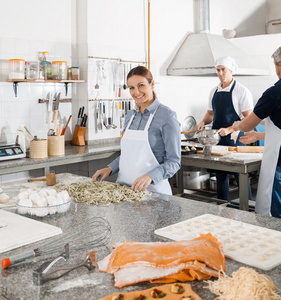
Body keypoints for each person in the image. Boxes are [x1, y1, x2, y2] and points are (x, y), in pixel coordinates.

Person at [92, 66, 181, 195]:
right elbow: (130, 155)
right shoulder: (130, 116)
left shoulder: (167, 116)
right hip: (124, 192)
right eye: (132, 88)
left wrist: (150, 176)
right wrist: (109, 169)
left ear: (152, 84)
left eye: (141, 85)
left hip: (153, 193)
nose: (136, 92)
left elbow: (174, 162)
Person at [196, 56, 253, 200]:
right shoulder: (213, 91)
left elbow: (249, 118)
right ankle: (223, 209)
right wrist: (203, 122)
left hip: (235, 141)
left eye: (223, 70)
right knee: (220, 176)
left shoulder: (241, 91)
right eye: (218, 70)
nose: (220, 73)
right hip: (217, 141)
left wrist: (230, 129)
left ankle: (249, 210)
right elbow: (210, 113)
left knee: (240, 175)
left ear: (231, 70)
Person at [233, 46, 281, 217]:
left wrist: (236, 126)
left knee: (274, 216)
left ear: (280, 64)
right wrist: (258, 135)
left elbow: (247, 124)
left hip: (279, 164)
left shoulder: (274, 93)